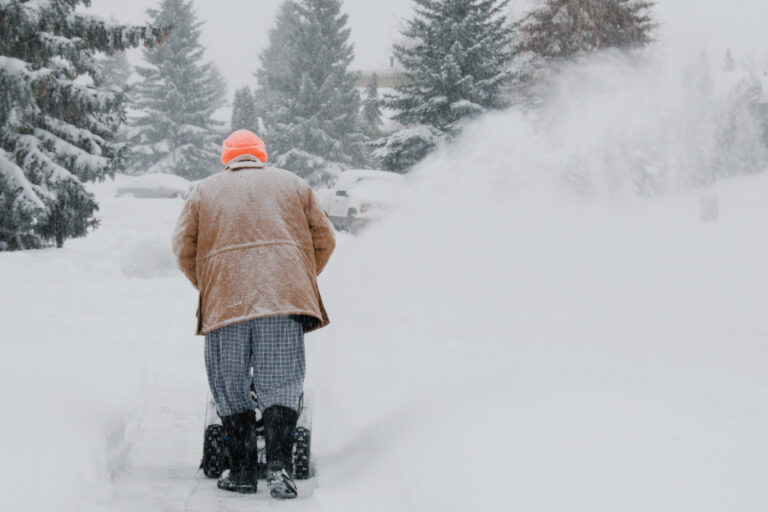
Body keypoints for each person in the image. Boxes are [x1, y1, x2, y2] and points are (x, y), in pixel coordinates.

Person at [172, 130, 335, 498]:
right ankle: (279, 467)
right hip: (282, 301)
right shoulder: (293, 184)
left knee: (230, 386)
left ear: (226, 158)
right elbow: (325, 239)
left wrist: (211, 285)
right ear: (261, 156)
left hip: (225, 304)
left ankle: (242, 471)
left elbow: (183, 247)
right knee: (281, 382)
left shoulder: (203, 190)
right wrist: (296, 279)